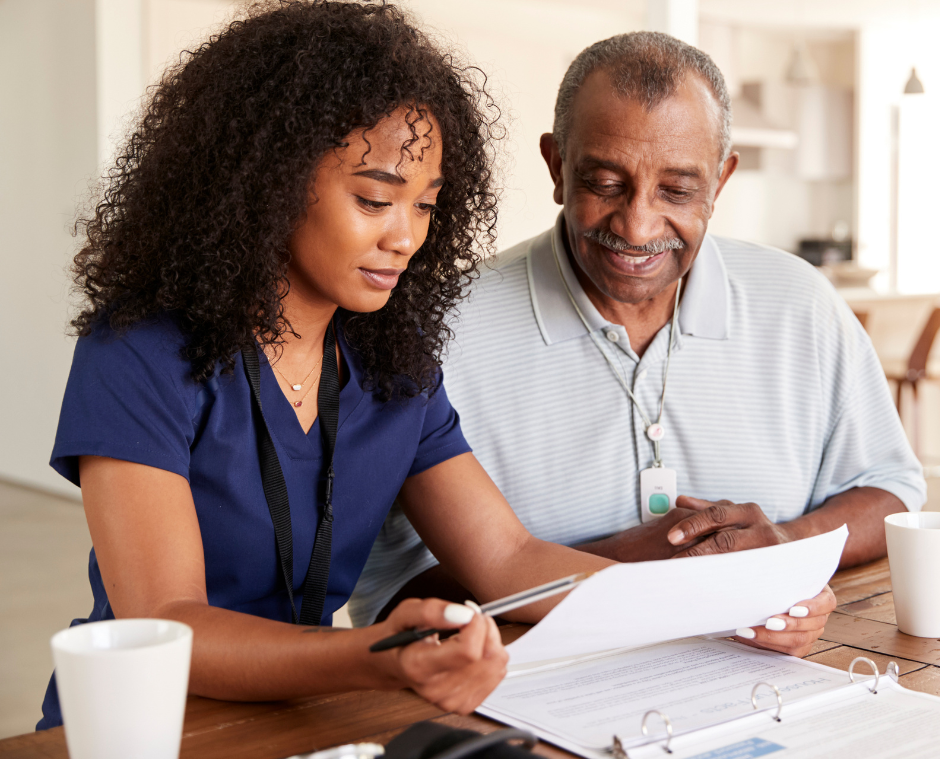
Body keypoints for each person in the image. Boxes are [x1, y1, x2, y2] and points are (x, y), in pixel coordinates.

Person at [39, 0, 834, 729]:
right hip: (138, 722)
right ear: (267, 183)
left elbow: (509, 560)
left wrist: (727, 603)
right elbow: (167, 621)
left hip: (308, 713)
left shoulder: (391, 363)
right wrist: (376, 654)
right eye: (375, 199)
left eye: (426, 204)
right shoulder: (138, 350)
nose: (406, 237)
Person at [349, 32, 923, 628]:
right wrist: (629, 568)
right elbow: (393, 592)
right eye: (604, 183)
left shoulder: (802, 302)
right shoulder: (437, 327)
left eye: (677, 189)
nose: (639, 225)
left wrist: (782, 547)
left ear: (721, 182)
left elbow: (891, 489)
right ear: (556, 165)